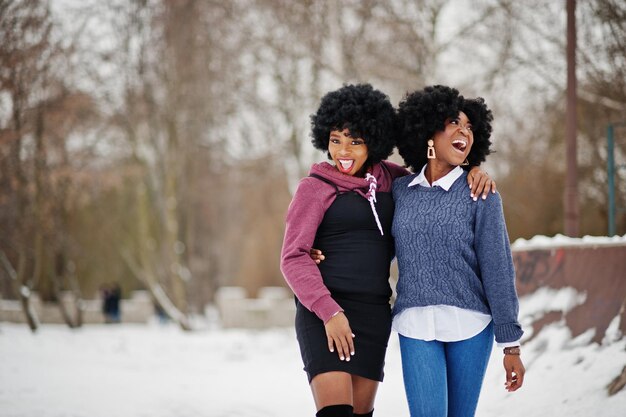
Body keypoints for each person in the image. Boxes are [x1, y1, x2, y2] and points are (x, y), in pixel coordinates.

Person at [280, 83, 495, 417]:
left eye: (355, 141)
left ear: (374, 143)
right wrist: (329, 311)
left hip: (373, 312)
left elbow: (433, 185)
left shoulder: (394, 182)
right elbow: (292, 257)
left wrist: (472, 169)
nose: (343, 151)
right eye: (335, 140)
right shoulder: (314, 188)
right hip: (325, 312)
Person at [391, 85, 525, 417]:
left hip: (471, 326)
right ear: (428, 132)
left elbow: (497, 267)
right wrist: (322, 252)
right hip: (414, 324)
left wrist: (510, 343)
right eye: (453, 122)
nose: (463, 131)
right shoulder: (399, 192)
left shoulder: (481, 194)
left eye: (469, 127)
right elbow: (372, 243)